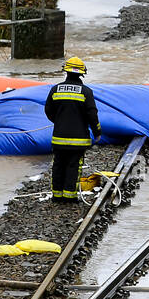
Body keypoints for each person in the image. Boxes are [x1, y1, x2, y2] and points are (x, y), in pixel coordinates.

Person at [44, 57, 101, 202]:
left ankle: (57, 196)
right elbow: (92, 114)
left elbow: (48, 110)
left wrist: (60, 121)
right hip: (78, 140)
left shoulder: (55, 89)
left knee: (58, 165)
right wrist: (97, 132)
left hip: (59, 138)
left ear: (66, 72)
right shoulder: (86, 92)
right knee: (73, 166)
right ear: (82, 74)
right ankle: (69, 196)